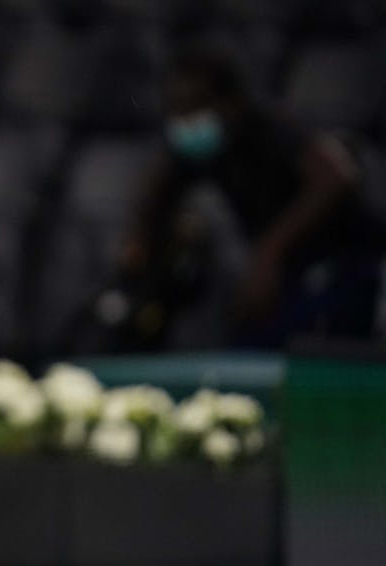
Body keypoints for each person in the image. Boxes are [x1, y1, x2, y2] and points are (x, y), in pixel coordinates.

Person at [114, 44, 381, 350]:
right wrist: (140, 237)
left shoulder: (271, 127)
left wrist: (269, 253)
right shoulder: (197, 145)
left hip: (342, 261)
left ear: (231, 103)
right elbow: (156, 193)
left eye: (196, 106)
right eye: (175, 108)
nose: (184, 120)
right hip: (287, 268)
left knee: (305, 349)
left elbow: (338, 177)